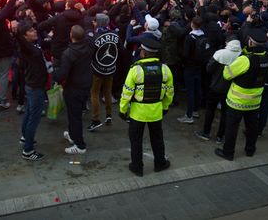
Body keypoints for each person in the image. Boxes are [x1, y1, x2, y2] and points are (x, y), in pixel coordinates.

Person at [215, 29, 268, 161]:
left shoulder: (245, 60)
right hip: (255, 100)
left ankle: (228, 152)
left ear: (251, 42)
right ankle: (250, 150)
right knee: (252, 126)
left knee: (232, 127)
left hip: (237, 101)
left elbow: (227, 74)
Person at [120, 37, 173, 177]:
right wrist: (165, 106)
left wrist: (122, 110)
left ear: (143, 53)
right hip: (156, 111)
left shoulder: (135, 70)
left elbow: (126, 92)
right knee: (157, 138)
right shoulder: (165, 69)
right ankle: (160, 163)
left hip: (137, 113)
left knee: (136, 140)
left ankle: (137, 167)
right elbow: (169, 91)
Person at [54, 25, 93, 154]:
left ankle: (80, 145)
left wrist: (54, 72)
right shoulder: (88, 46)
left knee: (74, 116)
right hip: (86, 84)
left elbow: (62, 75)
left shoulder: (68, 53)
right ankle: (72, 135)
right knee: (74, 114)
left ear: (71, 36)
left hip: (73, 88)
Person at [196, 39, 241, 142]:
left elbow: (209, 69)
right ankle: (220, 136)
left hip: (215, 86)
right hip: (230, 89)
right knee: (225, 113)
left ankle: (206, 133)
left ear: (227, 43)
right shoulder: (241, 56)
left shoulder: (220, 54)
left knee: (210, 110)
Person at [17, 22, 48, 160]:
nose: (34, 31)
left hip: (32, 85)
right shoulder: (27, 48)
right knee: (34, 119)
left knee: (29, 113)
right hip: (35, 87)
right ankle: (28, 151)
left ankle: (25, 137)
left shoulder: (33, 45)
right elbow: (18, 38)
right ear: (24, 36)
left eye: (34, 29)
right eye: (30, 31)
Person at [89, 13, 120, 131]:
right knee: (107, 92)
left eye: (95, 21)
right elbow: (120, 49)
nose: (93, 22)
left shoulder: (95, 36)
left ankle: (95, 119)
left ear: (99, 23)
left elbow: (90, 53)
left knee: (95, 93)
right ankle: (108, 116)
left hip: (97, 69)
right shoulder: (114, 34)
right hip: (110, 68)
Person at [178, 16, 210, 124]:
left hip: (189, 66)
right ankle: (196, 110)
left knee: (190, 90)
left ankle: (189, 115)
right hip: (199, 65)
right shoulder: (204, 36)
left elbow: (185, 54)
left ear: (192, 24)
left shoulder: (190, 37)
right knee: (197, 88)